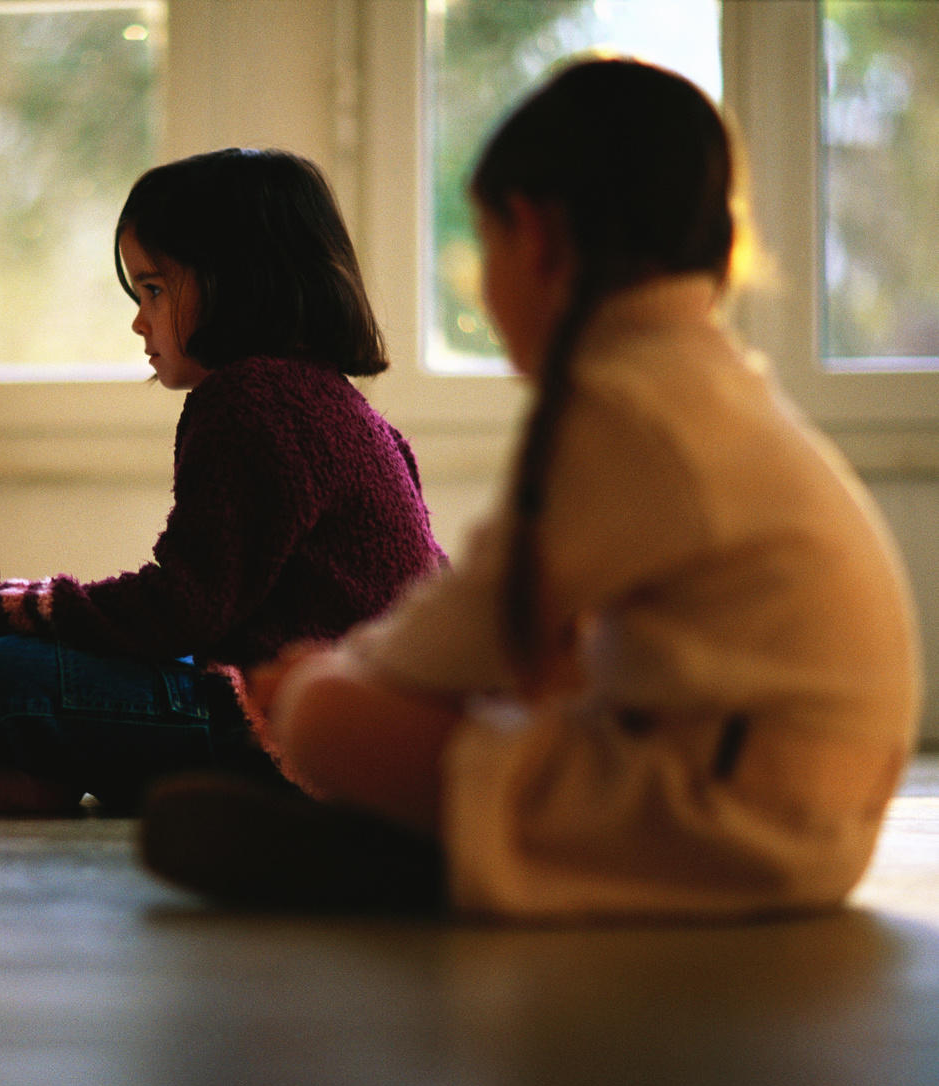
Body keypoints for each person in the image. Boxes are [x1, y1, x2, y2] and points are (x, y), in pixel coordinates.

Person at [141, 58, 923, 918]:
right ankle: (411, 853)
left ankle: (395, 863)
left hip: (734, 818)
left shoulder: (628, 402)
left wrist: (328, 675)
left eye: (483, 247)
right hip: (797, 808)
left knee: (333, 714)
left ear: (537, 236)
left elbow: (488, 611)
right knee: (475, 719)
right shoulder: (702, 381)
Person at [0, 147, 447, 815]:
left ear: (239, 284)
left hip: (287, 735)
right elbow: (204, 617)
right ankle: (52, 778)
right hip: (303, 704)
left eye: (154, 290)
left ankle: (60, 775)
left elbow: (182, 607)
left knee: (3, 677)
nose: (138, 318)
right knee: (22, 652)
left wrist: (4, 614)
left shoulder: (253, 400)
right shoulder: (332, 403)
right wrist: (13, 615)